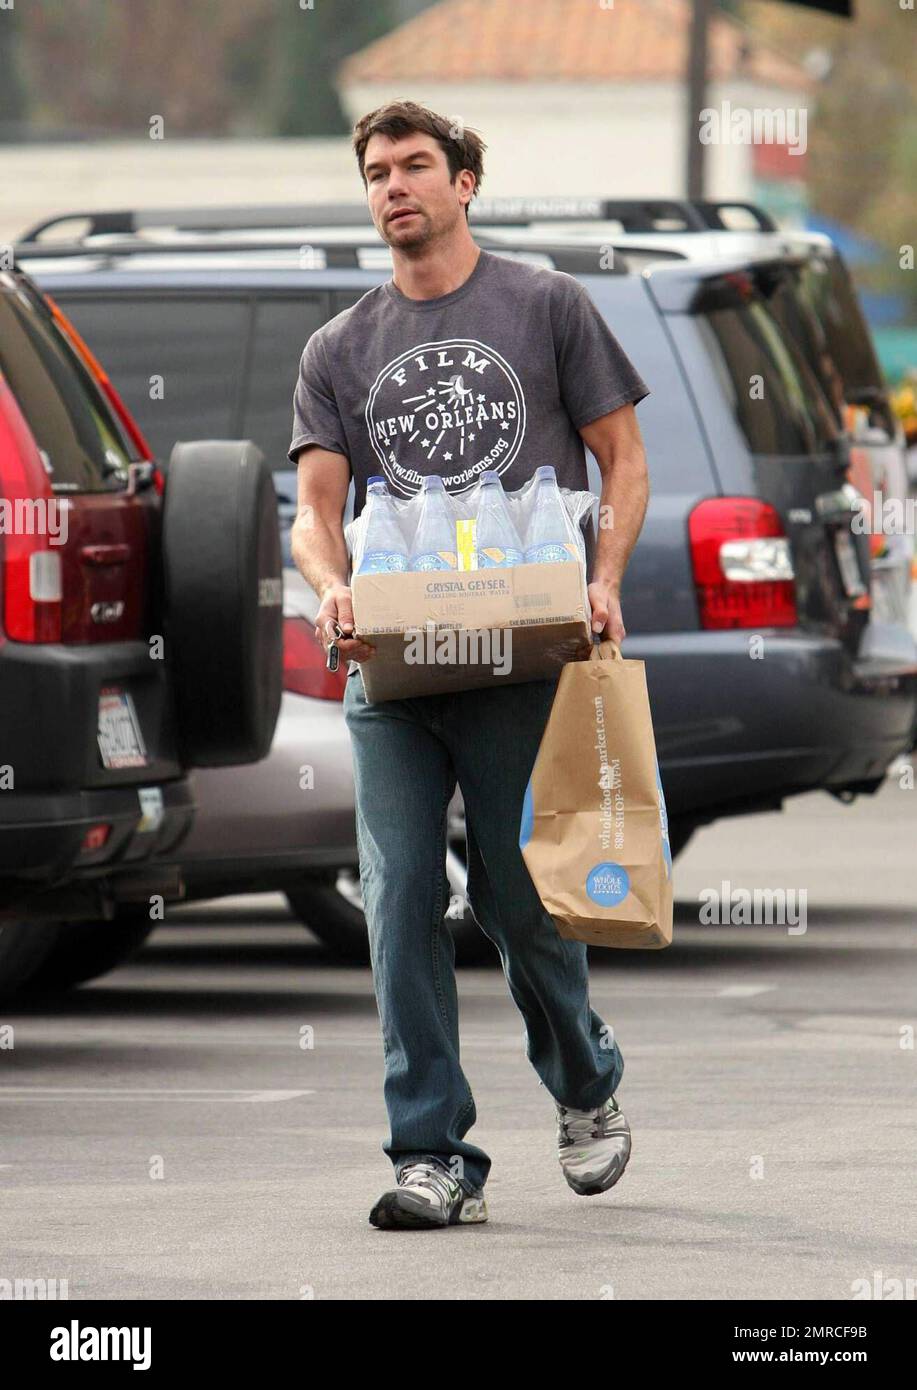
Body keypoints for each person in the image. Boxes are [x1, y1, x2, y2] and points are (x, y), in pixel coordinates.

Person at [288, 100, 650, 1230]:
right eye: (375, 172)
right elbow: (313, 510)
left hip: (516, 657)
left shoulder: (544, 304)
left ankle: (585, 1081)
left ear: (465, 181)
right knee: (398, 897)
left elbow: (622, 458)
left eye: (414, 167)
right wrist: (331, 584)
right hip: (392, 671)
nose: (393, 186)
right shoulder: (337, 346)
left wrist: (603, 576)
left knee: (519, 899)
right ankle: (433, 1152)